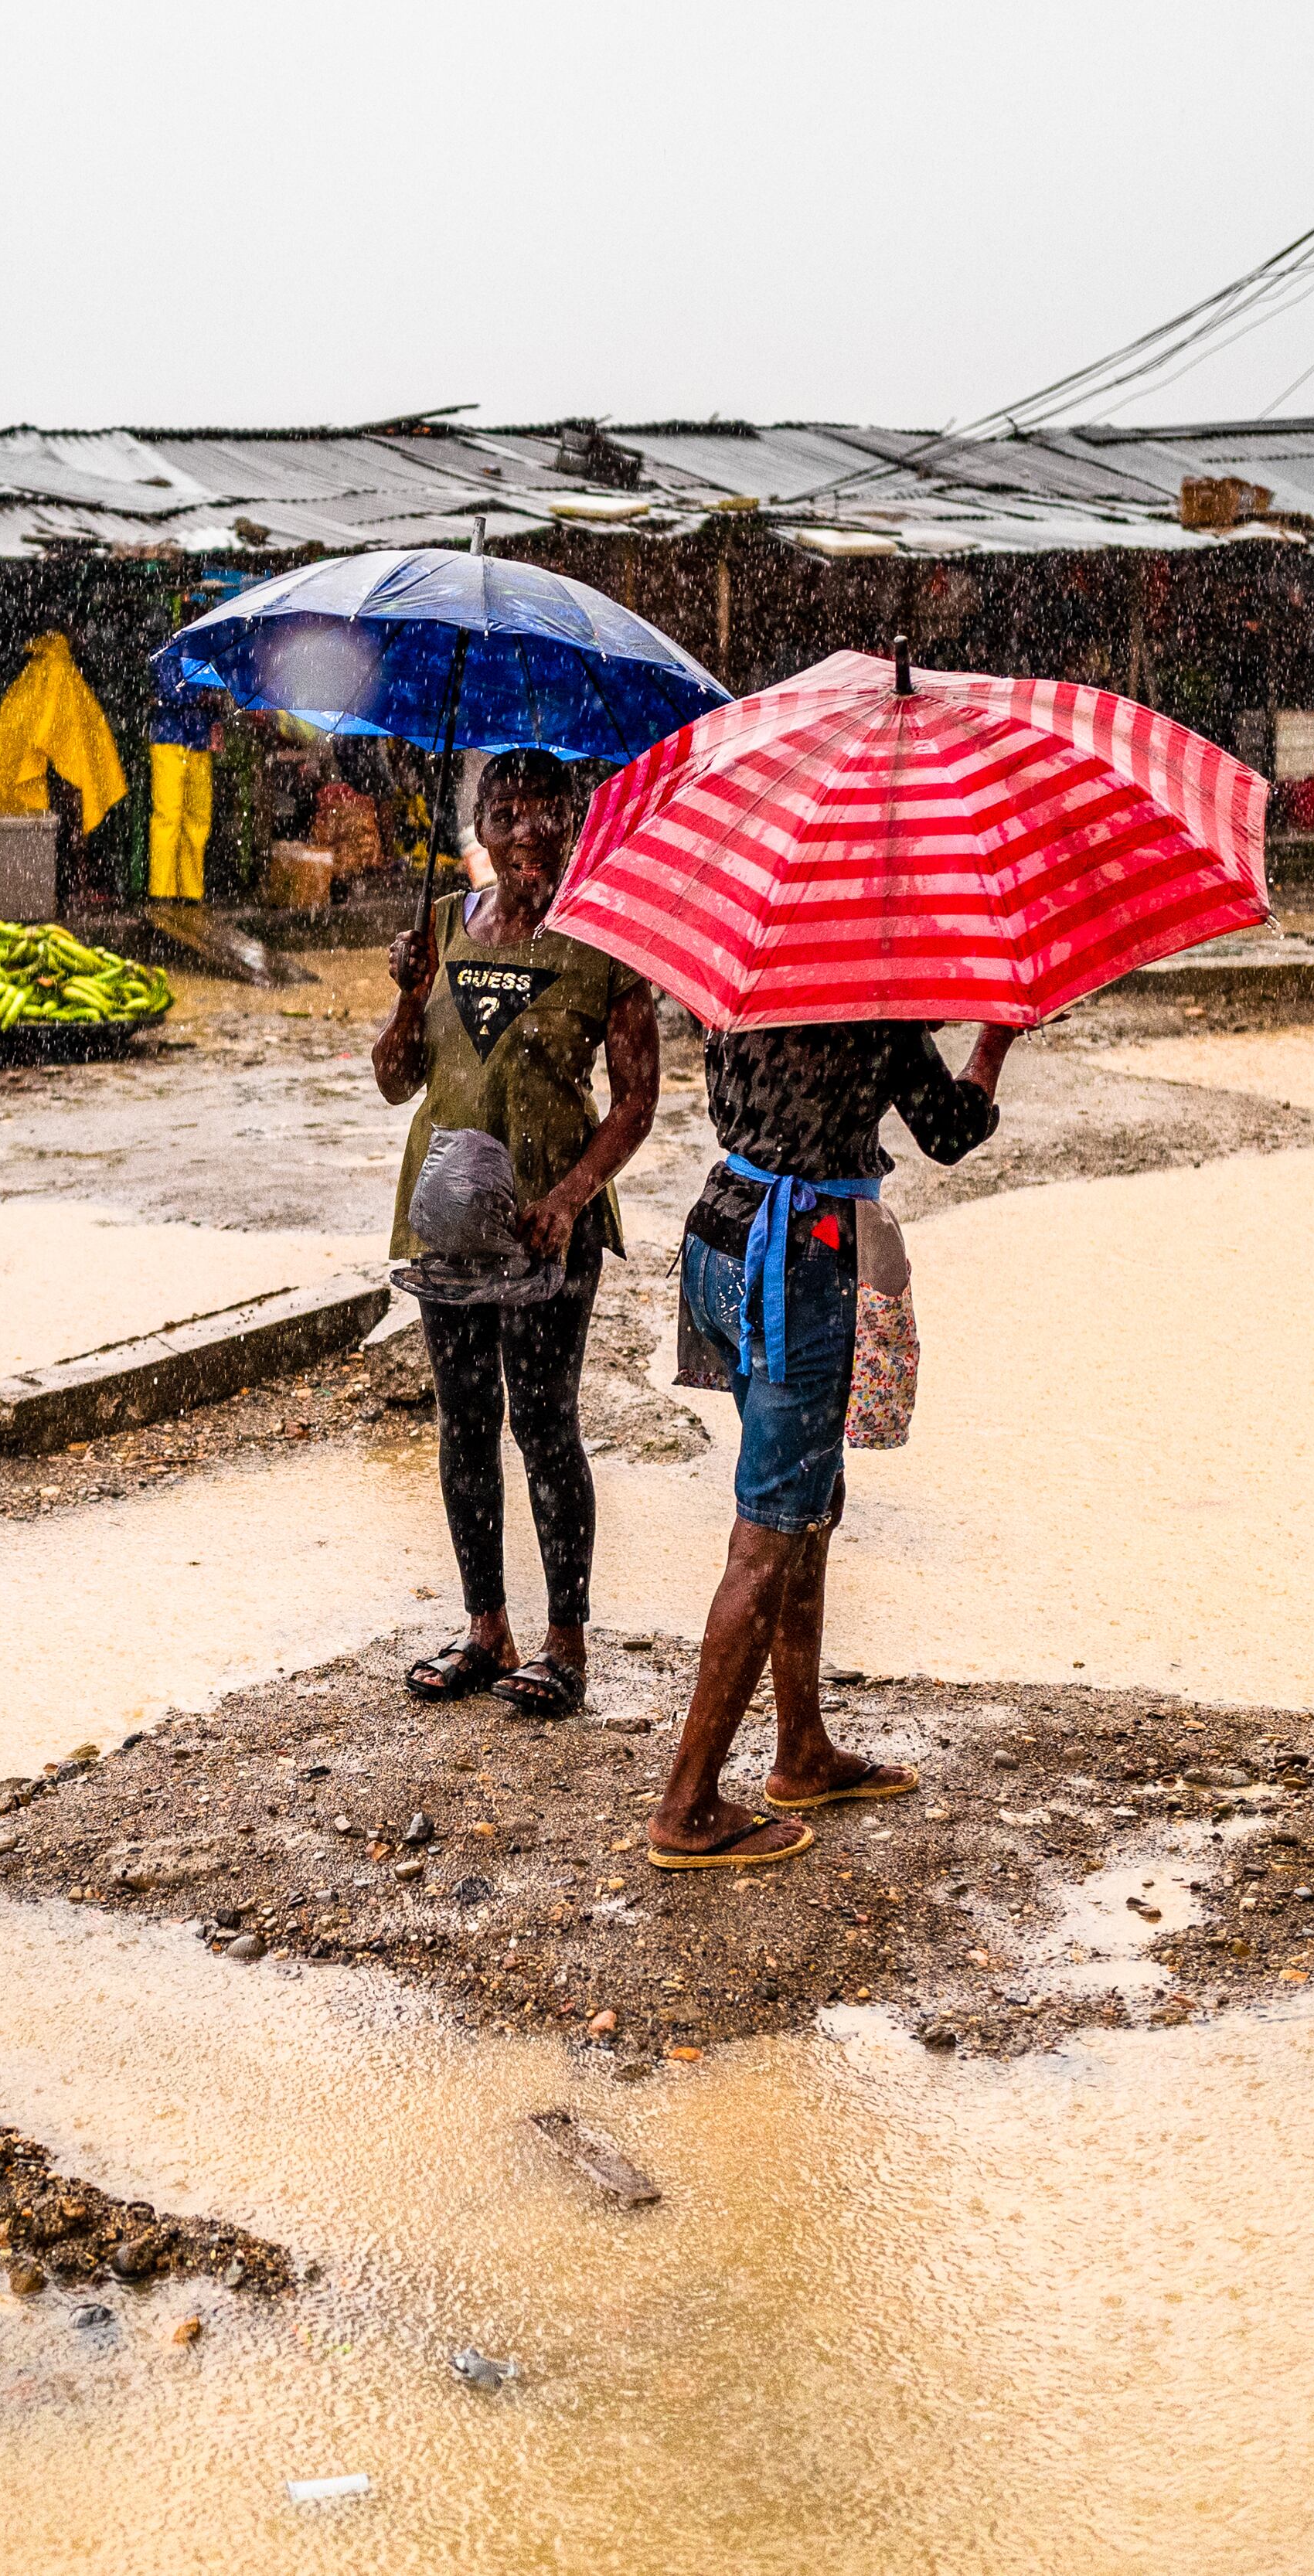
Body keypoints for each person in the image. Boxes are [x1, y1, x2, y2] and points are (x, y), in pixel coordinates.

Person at [645, 1017, 1013, 1867]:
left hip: (720, 1235)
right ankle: (686, 1804)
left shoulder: (741, 988)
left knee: (809, 1501)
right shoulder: (875, 1008)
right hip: (795, 1259)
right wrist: (993, 1042)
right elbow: (948, 1132)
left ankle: (800, 1749)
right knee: (771, 1528)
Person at [372, 749, 660, 1717]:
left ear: (574, 821)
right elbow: (393, 1081)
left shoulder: (604, 945)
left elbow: (635, 1103)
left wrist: (572, 1197)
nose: (529, 827)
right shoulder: (442, 931)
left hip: (548, 1226)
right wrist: (410, 993)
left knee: (542, 1423)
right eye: (508, 811)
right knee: (462, 1424)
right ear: (480, 829)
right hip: (445, 1220)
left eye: (548, 810)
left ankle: (563, 1641)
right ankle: (484, 1628)